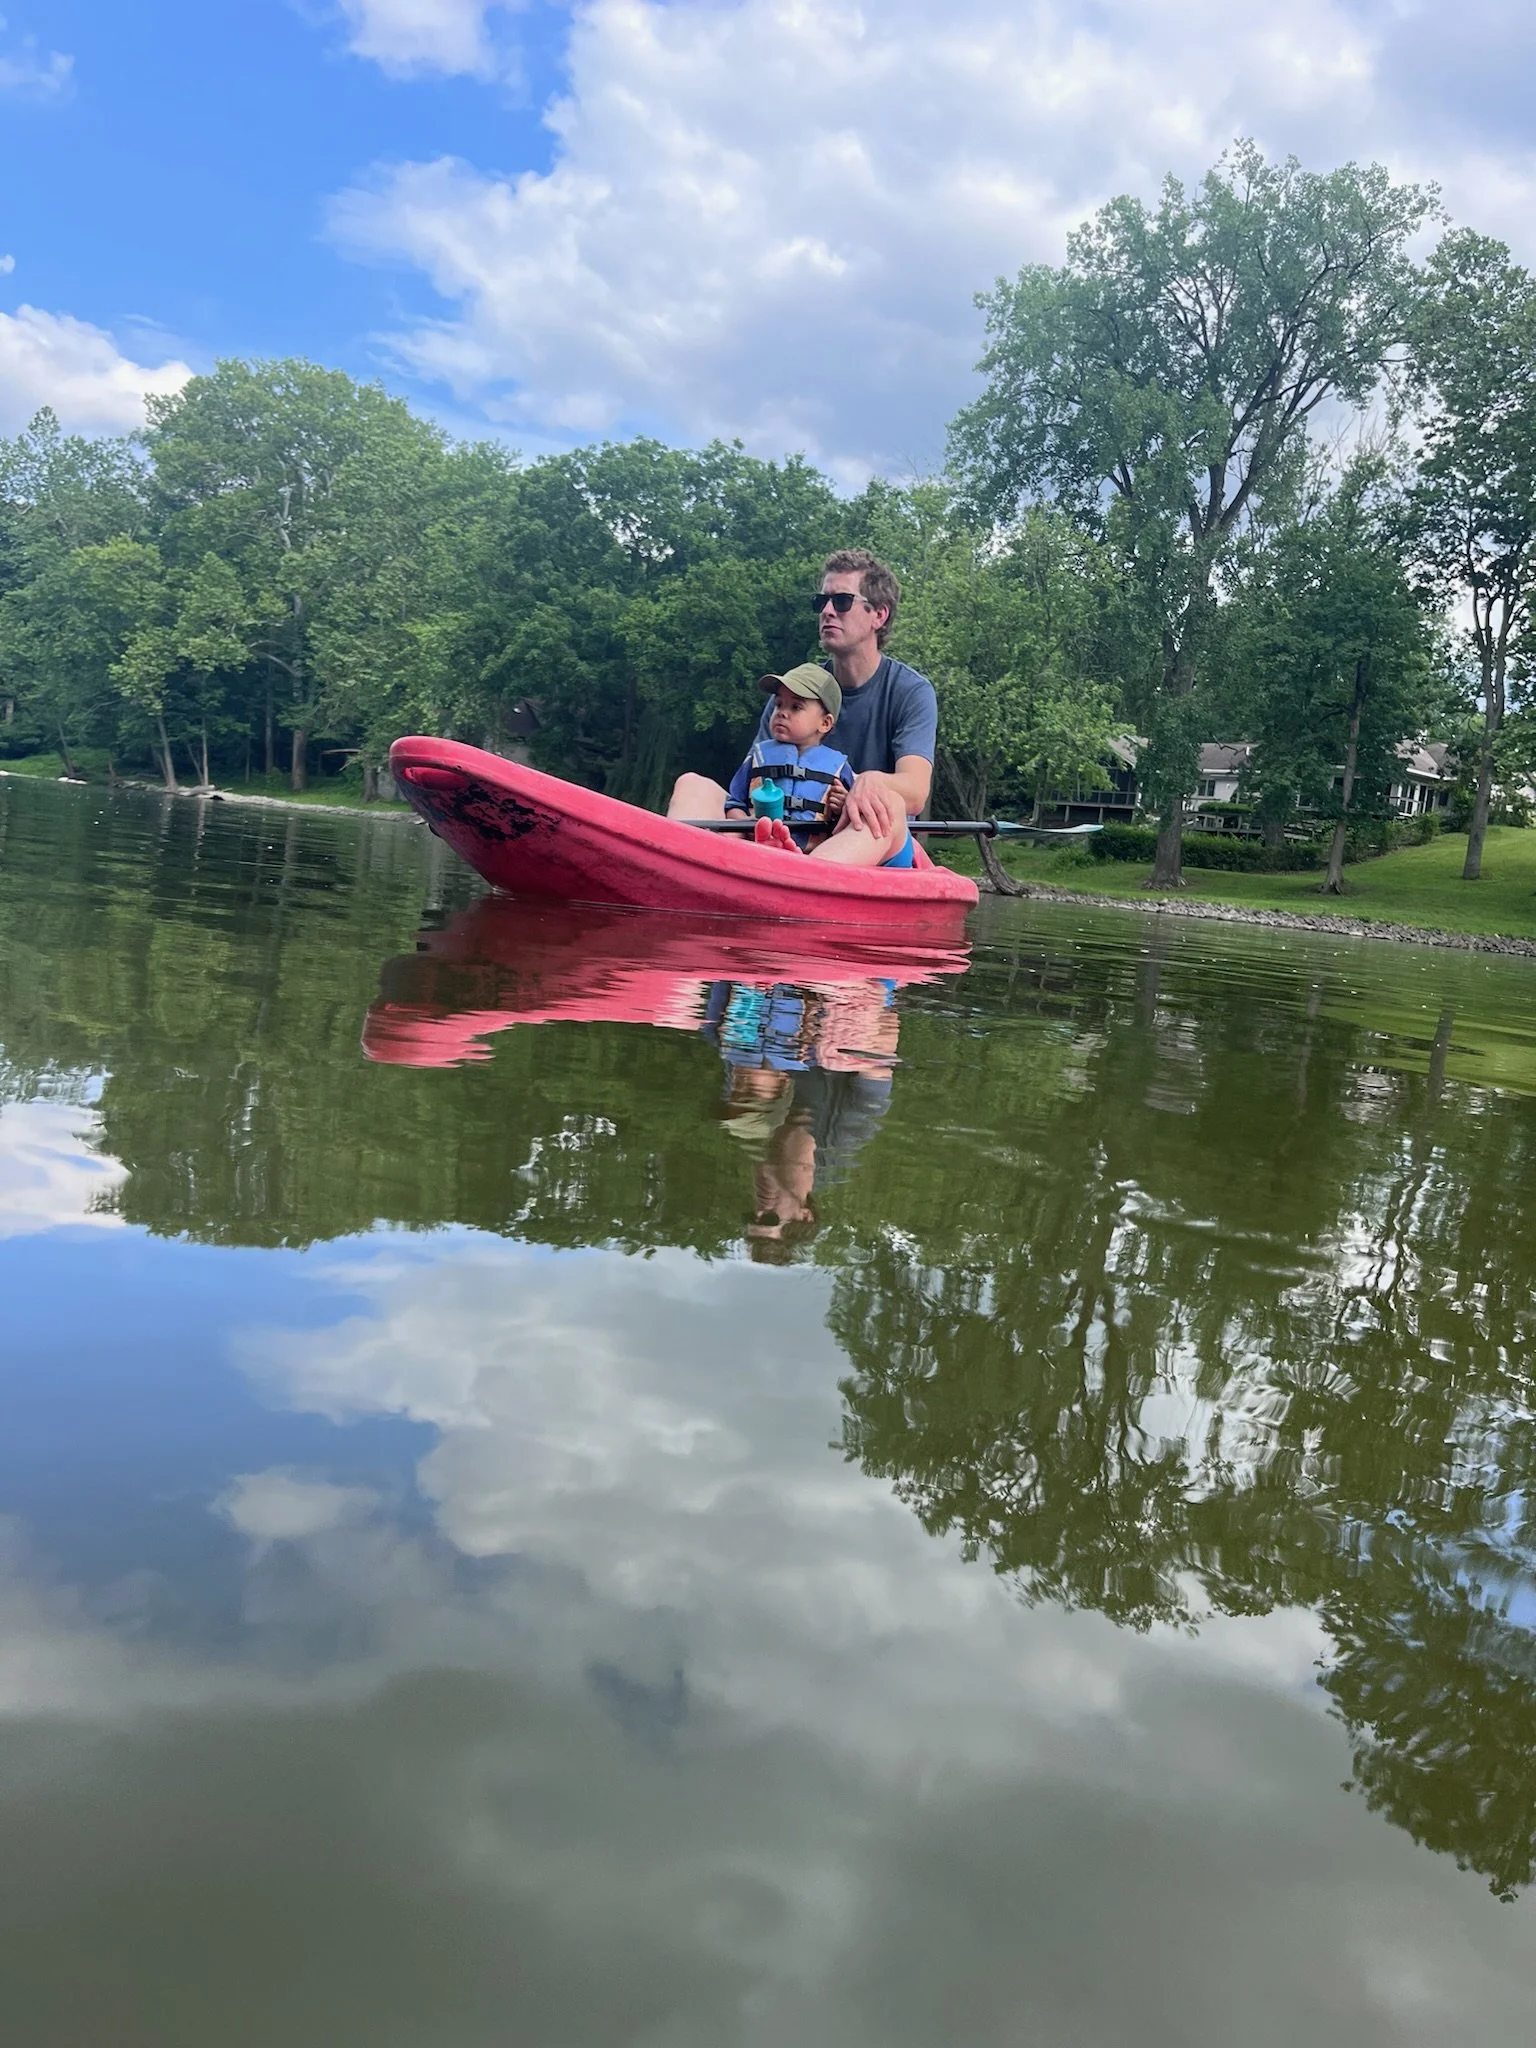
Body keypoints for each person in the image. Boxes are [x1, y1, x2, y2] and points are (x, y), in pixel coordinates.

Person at [667, 549, 937, 869]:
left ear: (879, 615)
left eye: (841, 601)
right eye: (820, 602)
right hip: (777, 839)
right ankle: (698, 869)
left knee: (889, 800)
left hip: (871, 849)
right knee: (692, 784)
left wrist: (870, 781)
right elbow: (755, 781)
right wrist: (744, 825)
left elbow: (916, 791)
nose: (827, 611)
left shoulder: (911, 692)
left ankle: (792, 875)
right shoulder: (792, 693)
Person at [722, 664, 853, 850]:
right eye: (778, 704)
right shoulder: (757, 758)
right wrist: (746, 822)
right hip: (758, 846)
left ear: (825, 723)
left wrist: (842, 807)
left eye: (796, 707)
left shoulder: (839, 768)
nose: (782, 713)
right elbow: (734, 803)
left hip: (812, 853)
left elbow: (851, 819)